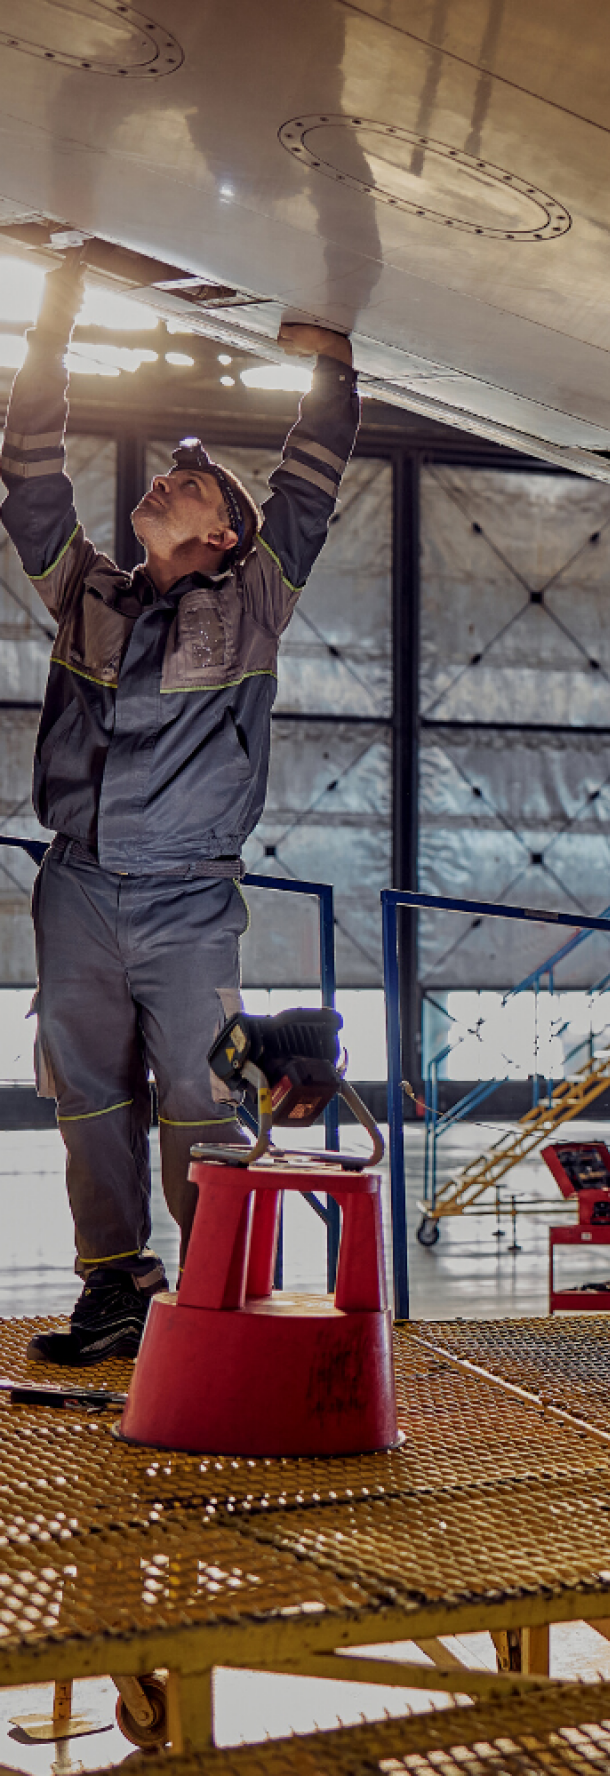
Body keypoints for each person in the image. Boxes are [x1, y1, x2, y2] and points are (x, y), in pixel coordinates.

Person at [0, 251, 359, 1365]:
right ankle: (118, 1290)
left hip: (190, 903)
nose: (161, 482)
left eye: (189, 488)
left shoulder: (256, 601)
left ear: (225, 538)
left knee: (201, 1104)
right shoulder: (84, 593)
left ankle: (216, 1307)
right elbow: (29, 476)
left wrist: (329, 369)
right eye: (167, 478)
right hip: (77, 889)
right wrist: (51, 331)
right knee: (87, 1101)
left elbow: (307, 486)